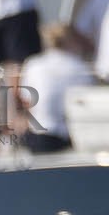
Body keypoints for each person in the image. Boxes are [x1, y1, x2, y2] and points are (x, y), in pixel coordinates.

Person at [15, 23, 91, 152]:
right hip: (73, 137)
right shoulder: (80, 67)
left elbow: (26, 101)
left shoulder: (34, 65)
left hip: (41, 136)